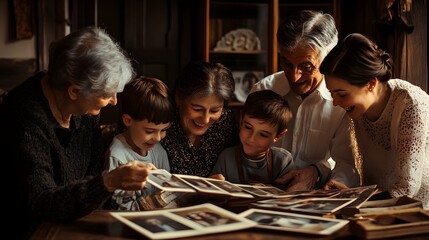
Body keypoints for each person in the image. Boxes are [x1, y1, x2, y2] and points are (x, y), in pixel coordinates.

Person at [0, 26, 155, 238]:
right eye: (106, 94)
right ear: (75, 91)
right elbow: (40, 202)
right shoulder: (23, 116)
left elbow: (91, 173)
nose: (114, 101)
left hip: (74, 222)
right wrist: (108, 182)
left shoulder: (85, 110)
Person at [250, 10, 359, 191]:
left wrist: (319, 173)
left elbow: (347, 163)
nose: (294, 76)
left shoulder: (340, 103)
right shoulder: (263, 90)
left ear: (328, 59)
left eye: (306, 66)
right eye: (286, 63)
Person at [319, 33, 429, 209]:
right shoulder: (358, 108)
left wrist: (354, 201)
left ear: (371, 84)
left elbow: (406, 189)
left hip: (419, 214)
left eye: (341, 94)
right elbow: (367, 177)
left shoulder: (411, 104)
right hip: (375, 211)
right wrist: (346, 192)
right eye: (332, 93)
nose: (335, 102)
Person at [105, 76, 175, 210]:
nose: (158, 138)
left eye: (164, 130)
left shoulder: (159, 151)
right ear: (128, 120)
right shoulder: (117, 155)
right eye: (150, 131)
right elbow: (121, 208)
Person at [161, 61, 239, 177]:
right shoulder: (161, 123)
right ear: (178, 98)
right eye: (197, 109)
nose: (206, 119)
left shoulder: (227, 122)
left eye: (214, 110)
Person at [210, 90, 296, 184]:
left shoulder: (283, 161)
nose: (251, 139)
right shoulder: (226, 158)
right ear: (241, 121)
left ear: (278, 136)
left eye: (263, 135)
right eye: (248, 127)